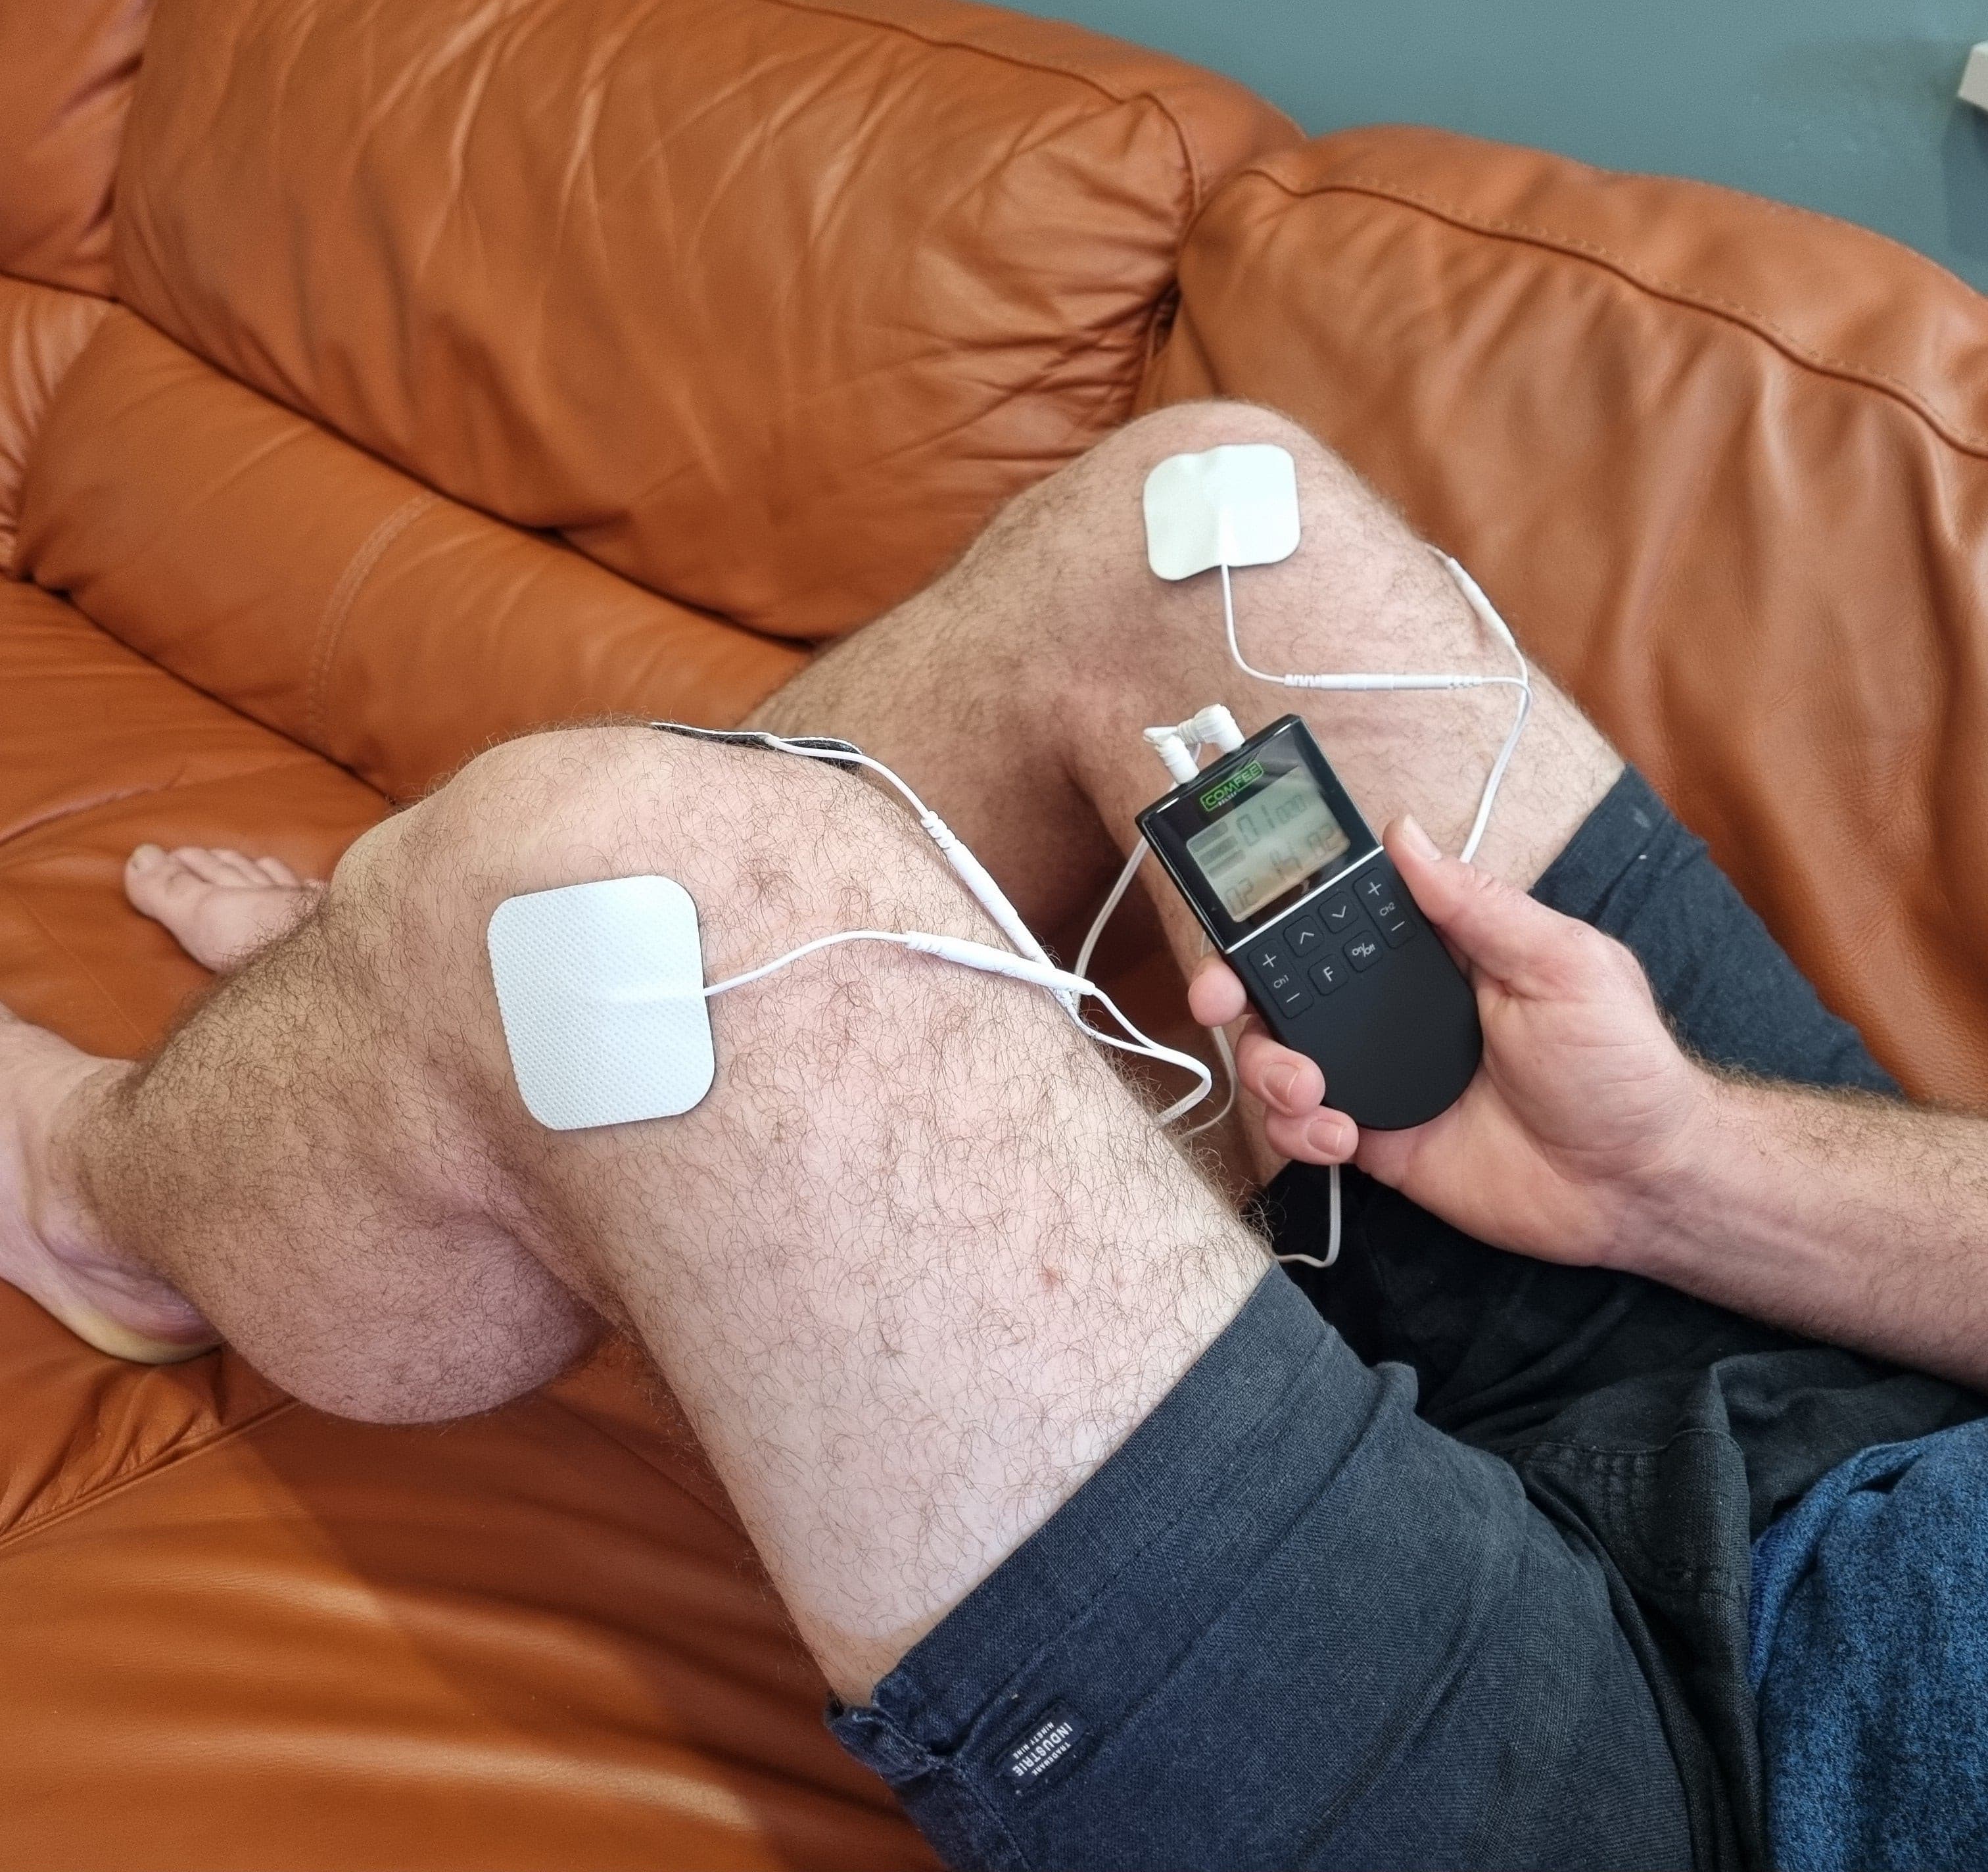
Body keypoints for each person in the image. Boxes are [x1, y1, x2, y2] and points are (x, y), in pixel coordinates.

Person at [3, 400, 1984, 1871]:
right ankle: (392, 1066)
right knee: (1210, 528)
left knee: (606, 924)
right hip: (1863, 1396)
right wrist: (1686, 1166)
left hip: (1708, 1807)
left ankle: (124, 1196)